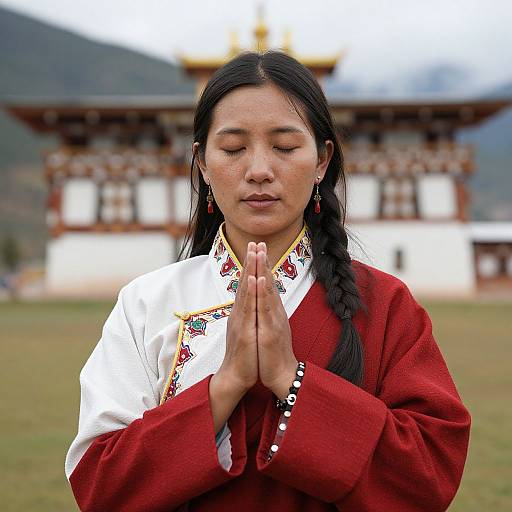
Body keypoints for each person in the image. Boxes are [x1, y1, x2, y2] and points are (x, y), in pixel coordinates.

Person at [65, 50, 471, 512]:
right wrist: (227, 384)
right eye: (234, 148)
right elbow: (99, 483)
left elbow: (429, 475)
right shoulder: (146, 303)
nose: (259, 169)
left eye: (284, 146)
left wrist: (288, 378)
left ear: (322, 160)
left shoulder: (384, 304)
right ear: (202, 163)